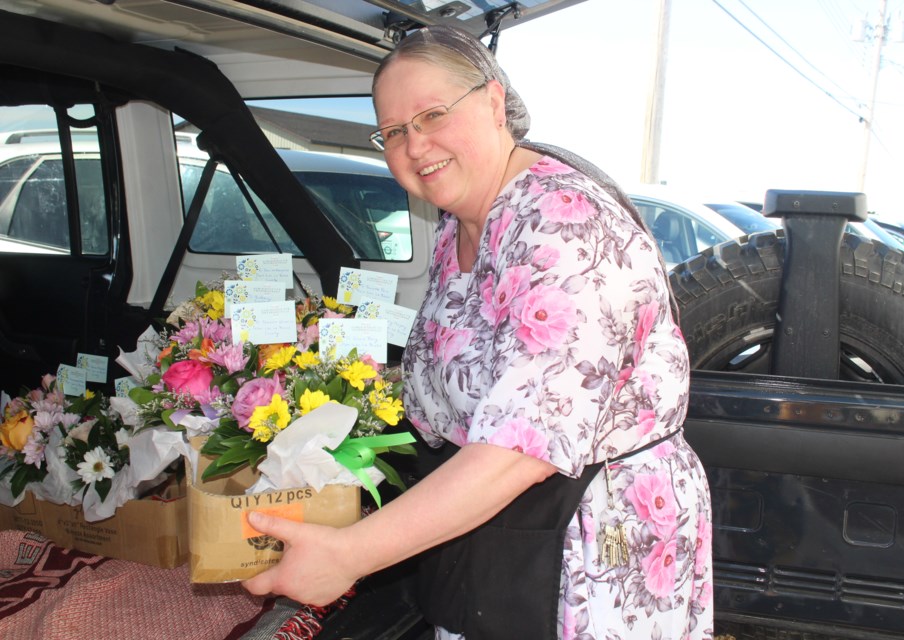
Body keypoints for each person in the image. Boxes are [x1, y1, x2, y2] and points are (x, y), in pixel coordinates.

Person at [244, 24, 714, 640]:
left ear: (494, 102)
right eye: (393, 132)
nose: (414, 146)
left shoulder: (563, 226)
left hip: (593, 547)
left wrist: (350, 554)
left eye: (433, 114)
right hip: (500, 533)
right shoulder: (459, 225)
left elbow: (520, 446)